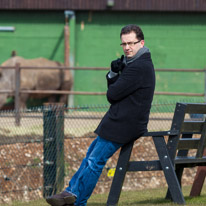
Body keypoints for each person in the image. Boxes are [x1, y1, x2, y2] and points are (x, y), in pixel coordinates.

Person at [46, 24, 156, 206]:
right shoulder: (136, 63)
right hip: (121, 122)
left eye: (131, 43)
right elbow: (116, 94)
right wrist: (115, 73)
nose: (127, 47)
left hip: (124, 124)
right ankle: (70, 192)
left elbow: (112, 95)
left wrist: (113, 73)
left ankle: (78, 201)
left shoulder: (139, 67)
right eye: (124, 44)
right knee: (90, 156)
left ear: (141, 43)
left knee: (95, 161)